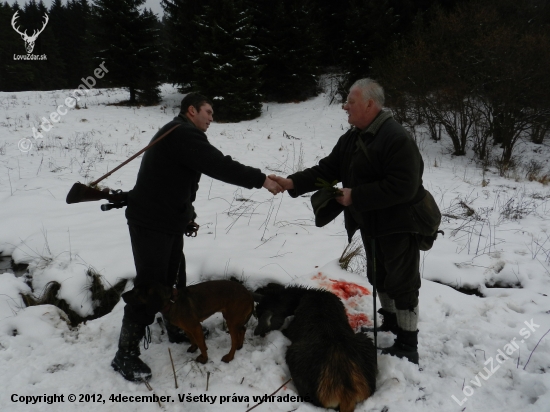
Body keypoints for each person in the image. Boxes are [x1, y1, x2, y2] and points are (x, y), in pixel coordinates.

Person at [111, 92, 282, 382]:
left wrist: (186, 214)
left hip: (166, 221)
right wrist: (261, 179)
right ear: (191, 110)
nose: (211, 117)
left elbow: (175, 182)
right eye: (208, 111)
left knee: (173, 281)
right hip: (151, 223)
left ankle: (177, 324)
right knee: (149, 288)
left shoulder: (179, 133)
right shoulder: (183, 134)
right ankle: (125, 353)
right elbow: (219, 165)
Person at [269, 79, 425, 364]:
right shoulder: (353, 137)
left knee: (402, 282)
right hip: (371, 222)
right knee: (379, 276)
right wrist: (292, 182)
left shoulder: (396, 137)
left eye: (350, 101)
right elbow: (328, 169)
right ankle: (390, 321)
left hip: (399, 223)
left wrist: (358, 196)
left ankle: (407, 344)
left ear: (369, 104)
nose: (344, 107)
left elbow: (406, 186)